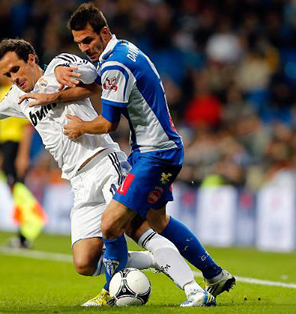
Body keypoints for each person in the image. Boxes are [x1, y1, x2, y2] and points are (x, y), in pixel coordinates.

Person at [0, 38, 210, 307]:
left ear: (32, 59)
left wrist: (73, 75)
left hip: (105, 162)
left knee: (137, 230)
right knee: (85, 262)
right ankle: (158, 262)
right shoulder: (17, 98)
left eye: (16, 69)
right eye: (7, 74)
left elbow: (95, 76)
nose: (14, 78)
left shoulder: (60, 66)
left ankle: (193, 289)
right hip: (78, 181)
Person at [20, 3, 235, 307]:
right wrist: (58, 85)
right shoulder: (125, 50)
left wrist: (80, 126)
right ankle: (213, 274)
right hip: (158, 149)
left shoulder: (115, 66)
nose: (85, 48)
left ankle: (187, 292)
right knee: (158, 221)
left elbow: (108, 123)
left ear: (104, 32)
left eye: (89, 41)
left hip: (154, 155)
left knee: (110, 224)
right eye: (79, 43)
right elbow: (91, 80)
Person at [0, 62, 39, 249]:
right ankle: (22, 235)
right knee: (16, 192)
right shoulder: (0, 91)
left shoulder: (17, 92)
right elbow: (2, 126)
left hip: (16, 146)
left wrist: (23, 154)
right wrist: (0, 154)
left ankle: (25, 234)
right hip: (6, 147)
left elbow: (27, 125)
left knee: (18, 190)